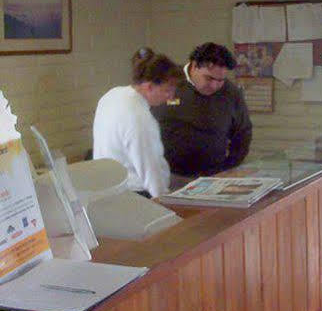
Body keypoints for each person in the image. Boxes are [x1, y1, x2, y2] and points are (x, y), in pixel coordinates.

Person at [93, 47, 183, 198]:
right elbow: (149, 168)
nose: (170, 97)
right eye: (167, 90)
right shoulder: (140, 117)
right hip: (137, 193)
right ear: (149, 86)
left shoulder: (112, 94)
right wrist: (164, 199)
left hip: (108, 187)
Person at [152, 42, 252, 178]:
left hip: (212, 176)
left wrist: (229, 168)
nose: (214, 85)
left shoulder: (231, 93)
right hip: (165, 175)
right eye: (209, 78)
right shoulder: (166, 82)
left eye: (220, 80)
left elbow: (243, 132)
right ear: (194, 66)